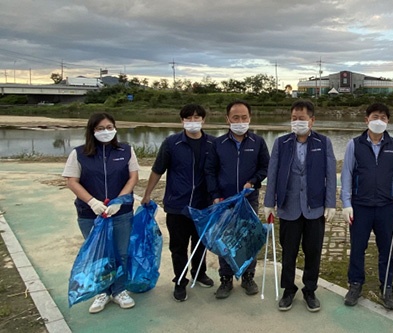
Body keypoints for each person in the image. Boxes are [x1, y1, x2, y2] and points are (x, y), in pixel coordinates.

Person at [263, 100, 337, 312]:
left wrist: (330, 203)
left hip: (314, 207)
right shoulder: (281, 143)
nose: (297, 122)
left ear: (312, 120)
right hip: (289, 206)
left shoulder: (323, 143)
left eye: (301, 119)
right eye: (294, 119)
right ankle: (288, 289)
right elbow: (273, 173)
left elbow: (330, 175)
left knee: (313, 251)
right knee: (289, 251)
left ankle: (310, 290)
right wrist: (269, 202)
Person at [62, 112, 139, 313]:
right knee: (100, 254)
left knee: (121, 252)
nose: (106, 131)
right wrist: (92, 202)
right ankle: (102, 292)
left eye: (109, 127)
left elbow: (132, 178)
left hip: (121, 213)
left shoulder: (126, 151)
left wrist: (119, 201)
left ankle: (120, 290)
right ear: (92, 131)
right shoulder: (79, 153)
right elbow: (72, 181)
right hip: (90, 214)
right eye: (100, 128)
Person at [141, 103, 216, 302]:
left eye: (197, 117)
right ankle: (180, 280)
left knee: (200, 244)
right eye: (188, 118)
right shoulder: (172, 143)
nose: (193, 122)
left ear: (203, 120)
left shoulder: (212, 144)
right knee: (178, 246)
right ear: (182, 121)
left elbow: (218, 173)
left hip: (204, 205)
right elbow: (158, 169)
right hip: (177, 205)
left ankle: (199, 273)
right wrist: (147, 193)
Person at [340, 102, 393, 310]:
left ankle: (387, 287)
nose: (379, 121)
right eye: (375, 116)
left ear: (388, 121)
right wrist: (346, 203)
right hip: (360, 206)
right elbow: (347, 174)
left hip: (386, 206)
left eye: (383, 118)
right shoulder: (355, 144)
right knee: (358, 247)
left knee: (386, 249)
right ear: (366, 119)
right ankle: (355, 284)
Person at [205, 100, 270, 299]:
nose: (240, 121)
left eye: (244, 117)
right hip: (224, 201)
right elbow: (210, 171)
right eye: (236, 118)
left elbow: (265, 168)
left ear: (250, 118)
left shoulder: (257, 142)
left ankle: (248, 277)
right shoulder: (218, 144)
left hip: (248, 200)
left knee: (247, 239)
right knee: (224, 240)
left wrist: (253, 181)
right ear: (228, 120)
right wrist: (215, 196)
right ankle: (226, 279)